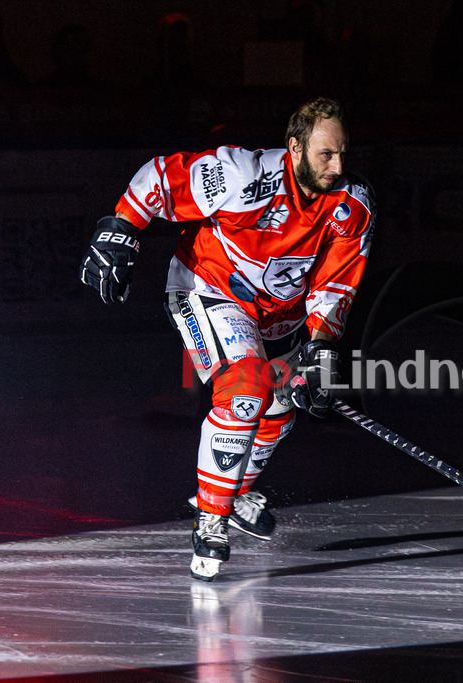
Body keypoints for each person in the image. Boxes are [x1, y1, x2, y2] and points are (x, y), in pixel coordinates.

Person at [80, 97, 375, 580]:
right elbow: (160, 177)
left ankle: (231, 495)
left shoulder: (351, 204)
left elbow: (337, 280)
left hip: (278, 315)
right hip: (208, 289)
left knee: (281, 404)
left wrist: (321, 349)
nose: (338, 166)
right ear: (295, 147)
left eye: (343, 153)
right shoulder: (244, 175)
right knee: (247, 386)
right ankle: (211, 522)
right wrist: (119, 231)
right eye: (326, 154)